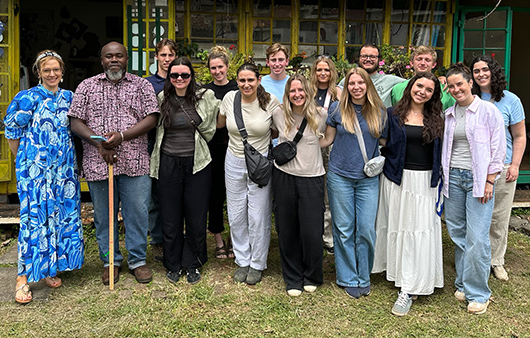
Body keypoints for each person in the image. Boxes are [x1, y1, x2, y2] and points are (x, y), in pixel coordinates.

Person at [68, 41, 159, 285]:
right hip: (99, 163)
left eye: (119, 56)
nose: (114, 60)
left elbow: (152, 118)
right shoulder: (87, 86)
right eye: (109, 56)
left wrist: (121, 137)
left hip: (135, 161)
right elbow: (75, 121)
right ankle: (110, 261)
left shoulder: (142, 85)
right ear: (102, 60)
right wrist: (100, 143)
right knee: (104, 216)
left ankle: (138, 261)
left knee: (137, 213)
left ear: (126, 59)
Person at [5, 50, 84, 304]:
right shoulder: (27, 98)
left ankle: (48, 268)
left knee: (60, 218)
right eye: (46, 70)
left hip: (63, 171)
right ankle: (23, 277)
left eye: (56, 69)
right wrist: (27, 161)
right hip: (34, 173)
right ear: (38, 72)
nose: (52, 74)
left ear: (62, 71)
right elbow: (11, 132)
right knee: (34, 222)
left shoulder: (69, 98)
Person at [373, 72, 445, 316]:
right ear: (410, 86)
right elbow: (382, 141)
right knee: (400, 228)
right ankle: (399, 273)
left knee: (418, 230)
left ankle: (410, 286)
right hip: (397, 179)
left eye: (428, 89)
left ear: (434, 95)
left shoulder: (437, 118)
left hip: (425, 182)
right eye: (419, 85)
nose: (422, 91)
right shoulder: (392, 114)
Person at [150, 57, 220, 284]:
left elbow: (214, 124)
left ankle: (193, 263)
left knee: (196, 216)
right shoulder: (162, 98)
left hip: (197, 162)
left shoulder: (205, 97)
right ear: (169, 78)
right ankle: (173, 263)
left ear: (192, 77)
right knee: (170, 216)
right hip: (168, 162)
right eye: (174, 75)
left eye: (185, 75)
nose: (179, 79)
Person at [443, 62, 506, 315]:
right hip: (454, 180)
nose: (456, 89)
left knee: (477, 237)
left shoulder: (488, 111)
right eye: (451, 86)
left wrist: (490, 180)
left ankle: (479, 293)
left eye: (460, 84)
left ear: (470, 83)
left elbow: (498, 149)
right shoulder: (448, 114)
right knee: (458, 233)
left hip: (479, 180)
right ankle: (462, 282)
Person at [320, 66, 386, 299]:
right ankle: (348, 276)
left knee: (367, 228)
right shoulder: (337, 110)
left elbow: (385, 141)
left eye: (360, 83)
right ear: (346, 87)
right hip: (339, 176)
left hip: (368, 179)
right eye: (351, 83)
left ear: (368, 85)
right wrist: (302, 144)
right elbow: (327, 139)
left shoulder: (379, 111)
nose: (356, 87)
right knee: (344, 228)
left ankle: (363, 274)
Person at [217, 63, 281, 285]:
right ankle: (242, 259)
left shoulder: (271, 102)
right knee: (236, 214)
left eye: (250, 80)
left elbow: (279, 129)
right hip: (233, 160)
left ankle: (257, 263)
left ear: (259, 80)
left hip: (260, 163)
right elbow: (220, 124)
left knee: (258, 214)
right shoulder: (230, 99)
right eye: (242, 80)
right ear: (237, 81)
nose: (246, 84)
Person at [470, 55, 526, 282]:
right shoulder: (468, 98)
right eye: (476, 71)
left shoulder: (511, 101)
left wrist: (515, 164)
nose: (481, 74)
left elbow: (520, 135)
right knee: (474, 217)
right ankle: (473, 258)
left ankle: (496, 260)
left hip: (503, 167)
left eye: (485, 69)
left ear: (493, 72)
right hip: (473, 167)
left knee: (499, 217)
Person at [272, 74, 327, 296]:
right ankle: (292, 277)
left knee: (312, 232)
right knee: (287, 229)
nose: (297, 95)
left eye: (301, 90)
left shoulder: (320, 115)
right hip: (284, 176)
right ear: (287, 94)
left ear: (308, 92)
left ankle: (312, 275)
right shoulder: (278, 114)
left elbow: (329, 136)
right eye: (292, 91)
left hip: (312, 177)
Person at [202, 46, 238, 260]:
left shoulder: (238, 88)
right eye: (213, 68)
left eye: (220, 67)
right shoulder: (205, 92)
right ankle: (218, 240)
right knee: (214, 196)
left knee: (235, 195)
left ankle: (235, 238)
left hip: (234, 147)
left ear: (227, 67)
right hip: (212, 148)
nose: (217, 71)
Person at [146, 38, 178, 262]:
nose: (167, 59)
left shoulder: (181, 79)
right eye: (163, 55)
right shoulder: (147, 84)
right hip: (152, 144)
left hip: (177, 145)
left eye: (171, 55)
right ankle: (157, 239)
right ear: (156, 56)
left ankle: (175, 237)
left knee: (174, 194)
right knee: (154, 195)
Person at [309, 56, 343, 255]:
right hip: (311, 145)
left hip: (332, 146)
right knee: (313, 190)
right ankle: (314, 232)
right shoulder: (308, 91)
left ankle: (328, 236)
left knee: (329, 193)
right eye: (319, 70)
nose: (323, 74)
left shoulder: (338, 93)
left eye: (327, 70)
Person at [339, 44, 405, 108]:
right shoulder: (348, 80)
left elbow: (412, 83)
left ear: (379, 59)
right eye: (364, 56)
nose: (368, 59)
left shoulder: (391, 80)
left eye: (372, 57)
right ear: (359, 58)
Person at [390, 45, 455, 110]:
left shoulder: (446, 89)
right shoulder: (397, 89)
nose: (423, 63)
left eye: (427, 60)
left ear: (434, 65)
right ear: (411, 63)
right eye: (419, 59)